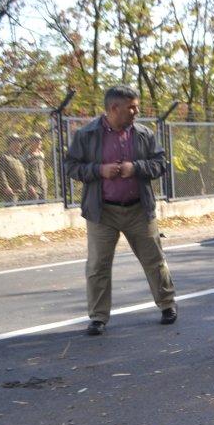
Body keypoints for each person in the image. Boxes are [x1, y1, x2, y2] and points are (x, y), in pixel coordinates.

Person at [65, 85, 176, 336]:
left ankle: (167, 304)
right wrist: (98, 170)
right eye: (132, 107)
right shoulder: (87, 135)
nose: (136, 111)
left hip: (138, 209)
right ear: (114, 108)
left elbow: (160, 164)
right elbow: (71, 166)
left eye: (136, 106)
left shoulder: (144, 134)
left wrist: (135, 167)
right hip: (102, 212)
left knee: (154, 260)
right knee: (97, 266)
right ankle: (98, 317)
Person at [0, 133, 27, 203]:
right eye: (18, 142)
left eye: (20, 142)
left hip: (22, 192)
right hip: (12, 193)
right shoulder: (4, 157)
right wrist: (6, 187)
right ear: (11, 143)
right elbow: (1, 173)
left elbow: (25, 174)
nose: (20, 145)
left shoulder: (19, 159)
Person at [24, 133, 48, 201]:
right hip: (34, 187)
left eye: (40, 140)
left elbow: (43, 169)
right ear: (31, 142)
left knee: (44, 207)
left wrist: (45, 183)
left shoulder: (41, 154)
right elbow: (25, 172)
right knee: (33, 207)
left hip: (43, 186)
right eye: (37, 140)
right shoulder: (27, 155)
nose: (40, 142)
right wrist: (29, 186)